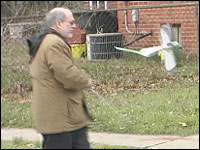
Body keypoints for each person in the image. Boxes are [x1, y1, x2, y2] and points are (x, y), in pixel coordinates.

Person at [27, 7, 93, 149]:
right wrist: (85, 80)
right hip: (60, 118)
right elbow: (67, 75)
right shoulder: (54, 43)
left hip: (63, 117)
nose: (74, 26)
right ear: (58, 23)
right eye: (71, 22)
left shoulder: (45, 41)